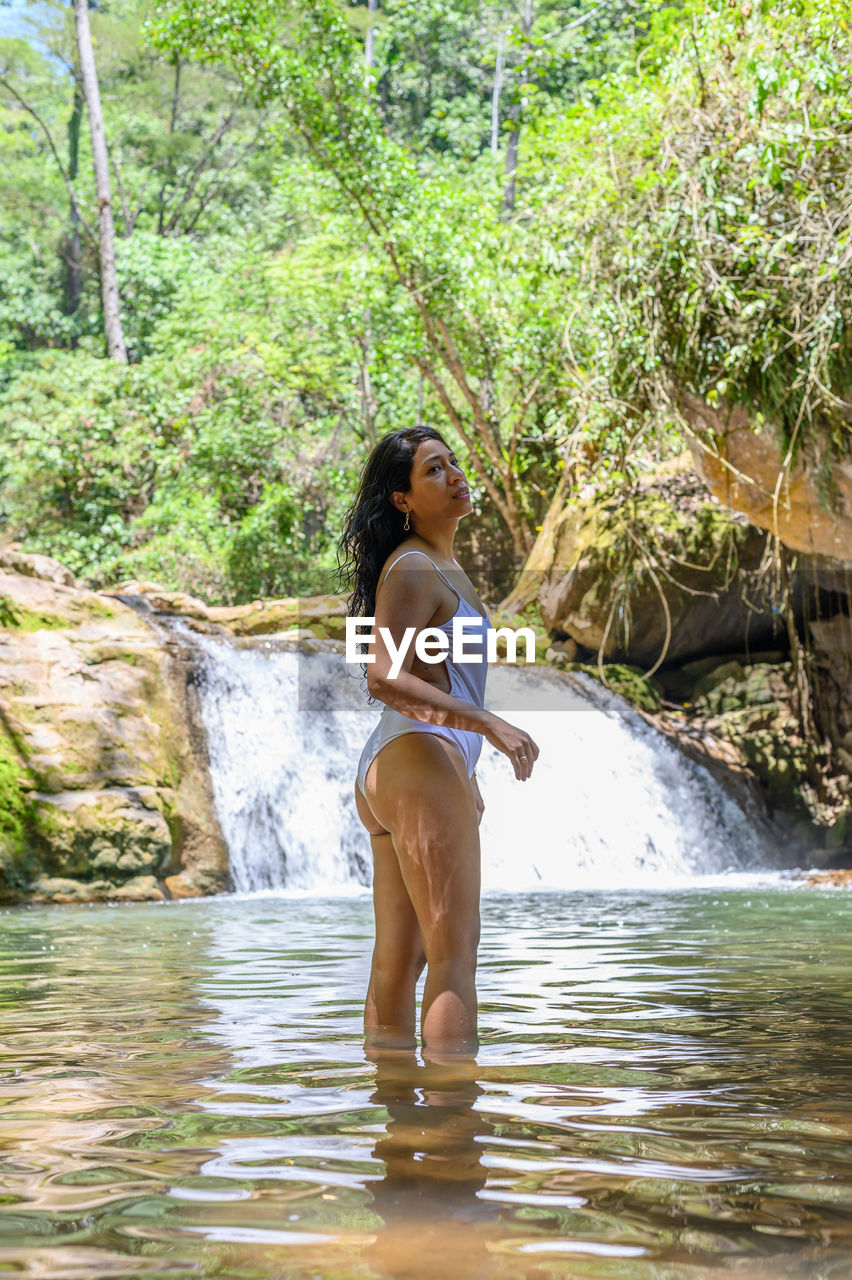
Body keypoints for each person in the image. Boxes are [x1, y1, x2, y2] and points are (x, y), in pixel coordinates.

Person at [338, 426, 539, 1056]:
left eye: (453, 464)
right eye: (433, 470)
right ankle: (453, 1137)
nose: (454, 475)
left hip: (405, 765)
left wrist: (465, 770)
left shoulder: (440, 567)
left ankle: (399, 1129)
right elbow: (384, 675)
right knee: (455, 957)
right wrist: (488, 726)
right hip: (417, 756)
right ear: (402, 499)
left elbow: (438, 679)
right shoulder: (417, 566)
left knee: (400, 962)